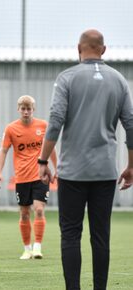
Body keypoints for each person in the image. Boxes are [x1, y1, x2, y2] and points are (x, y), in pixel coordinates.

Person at [39, 29, 133, 290]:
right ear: (103, 50)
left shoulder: (67, 78)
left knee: (70, 234)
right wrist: (131, 166)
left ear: (78, 48)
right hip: (105, 171)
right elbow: (131, 125)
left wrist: (43, 162)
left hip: (72, 172)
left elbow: (56, 121)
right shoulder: (119, 80)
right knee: (101, 236)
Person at [0, 95, 57, 260]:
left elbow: (51, 148)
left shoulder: (43, 126)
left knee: (39, 209)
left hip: (40, 175)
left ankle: (37, 247)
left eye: (29, 109)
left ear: (33, 109)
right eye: (23, 109)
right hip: (21, 178)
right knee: (24, 213)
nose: (26, 112)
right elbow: (3, 150)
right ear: (18, 109)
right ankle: (27, 248)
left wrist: (57, 168)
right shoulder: (11, 129)